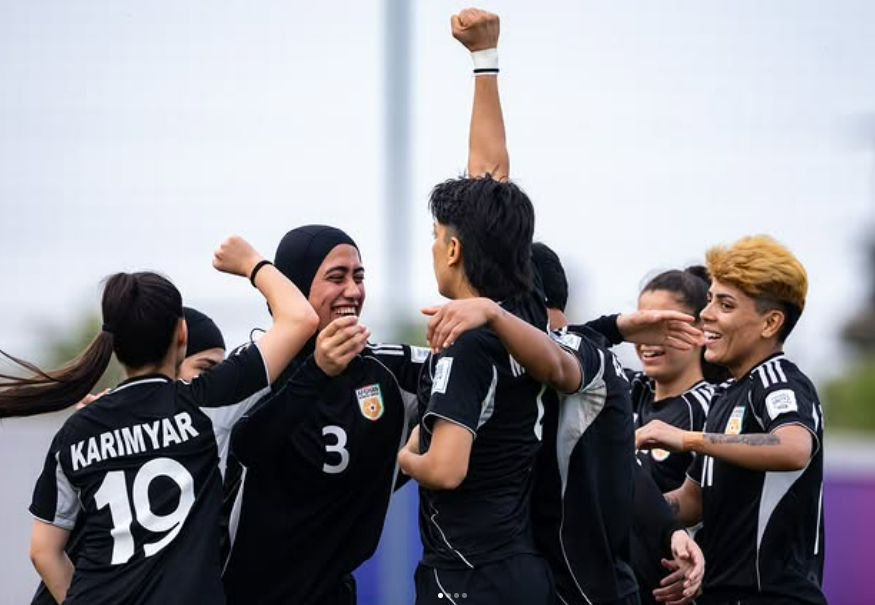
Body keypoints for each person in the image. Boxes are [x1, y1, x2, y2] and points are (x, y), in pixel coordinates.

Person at [13, 235, 318, 604]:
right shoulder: (205, 404)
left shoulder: (75, 431)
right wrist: (251, 262)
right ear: (182, 334)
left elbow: (43, 551)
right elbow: (300, 317)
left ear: (113, 343)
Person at [423, 242, 704, 605]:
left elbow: (560, 356)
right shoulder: (511, 363)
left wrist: (669, 530)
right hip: (550, 583)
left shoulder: (578, 359)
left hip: (588, 589)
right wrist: (614, 326)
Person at [220, 225, 425, 605]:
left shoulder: (385, 372)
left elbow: (469, 372)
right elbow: (248, 446)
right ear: (295, 288)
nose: (354, 291)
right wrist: (315, 372)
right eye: (337, 277)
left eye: (358, 277)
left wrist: (484, 312)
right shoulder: (252, 370)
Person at [636, 235, 826, 605]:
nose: (707, 314)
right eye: (709, 299)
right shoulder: (725, 394)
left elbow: (793, 448)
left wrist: (688, 438)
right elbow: (691, 500)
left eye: (725, 304)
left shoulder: (778, 380)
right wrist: (618, 500)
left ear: (770, 323)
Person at [29, 306, 230, 605]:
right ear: (175, 355)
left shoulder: (208, 438)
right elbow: (44, 551)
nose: (216, 380)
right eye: (205, 368)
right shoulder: (100, 436)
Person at [631, 267, 727, 494]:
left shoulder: (711, 408)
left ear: (701, 332)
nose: (647, 337)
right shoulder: (626, 389)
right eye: (640, 324)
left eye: (663, 325)